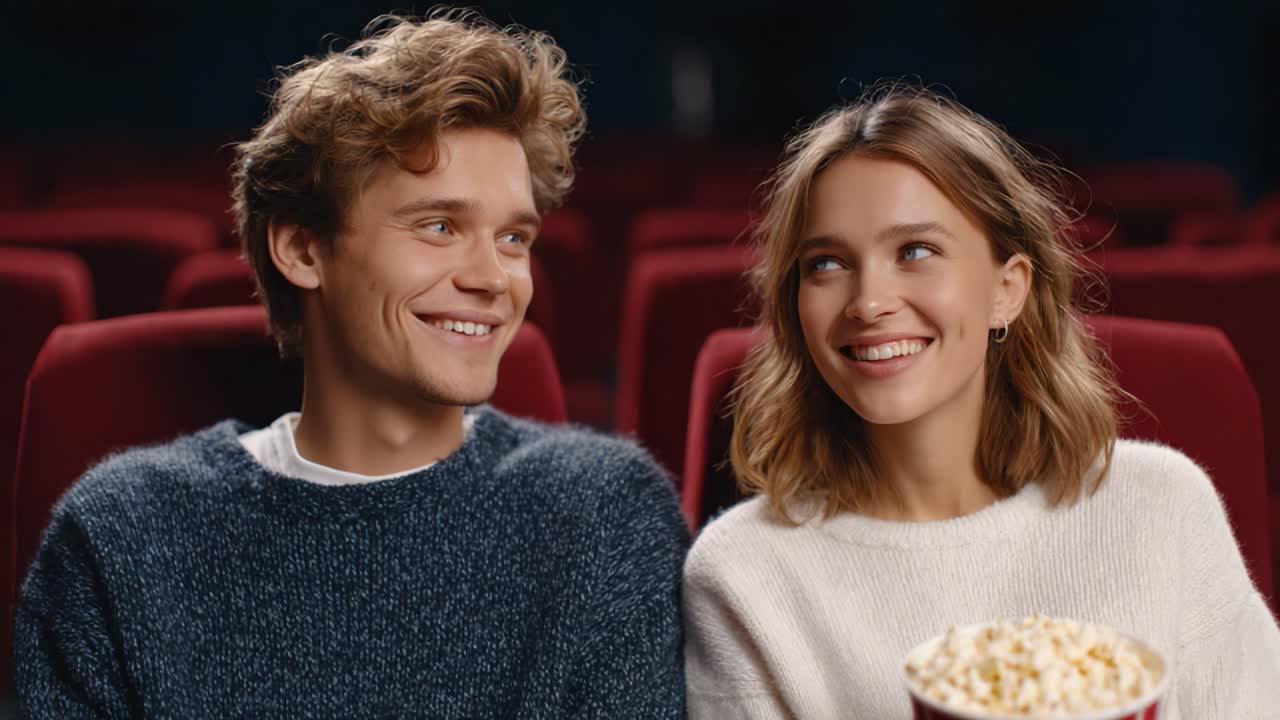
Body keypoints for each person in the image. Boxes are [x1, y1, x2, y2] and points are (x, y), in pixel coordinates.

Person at [15, 12, 688, 718]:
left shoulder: (608, 516)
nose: (495, 278)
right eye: (439, 226)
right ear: (303, 250)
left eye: (514, 237)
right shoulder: (119, 536)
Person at [682, 85, 1280, 718]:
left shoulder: (1165, 508)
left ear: (1008, 290)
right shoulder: (741, 575)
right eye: (826, 264)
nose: (868, 302)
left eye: (915, 251)